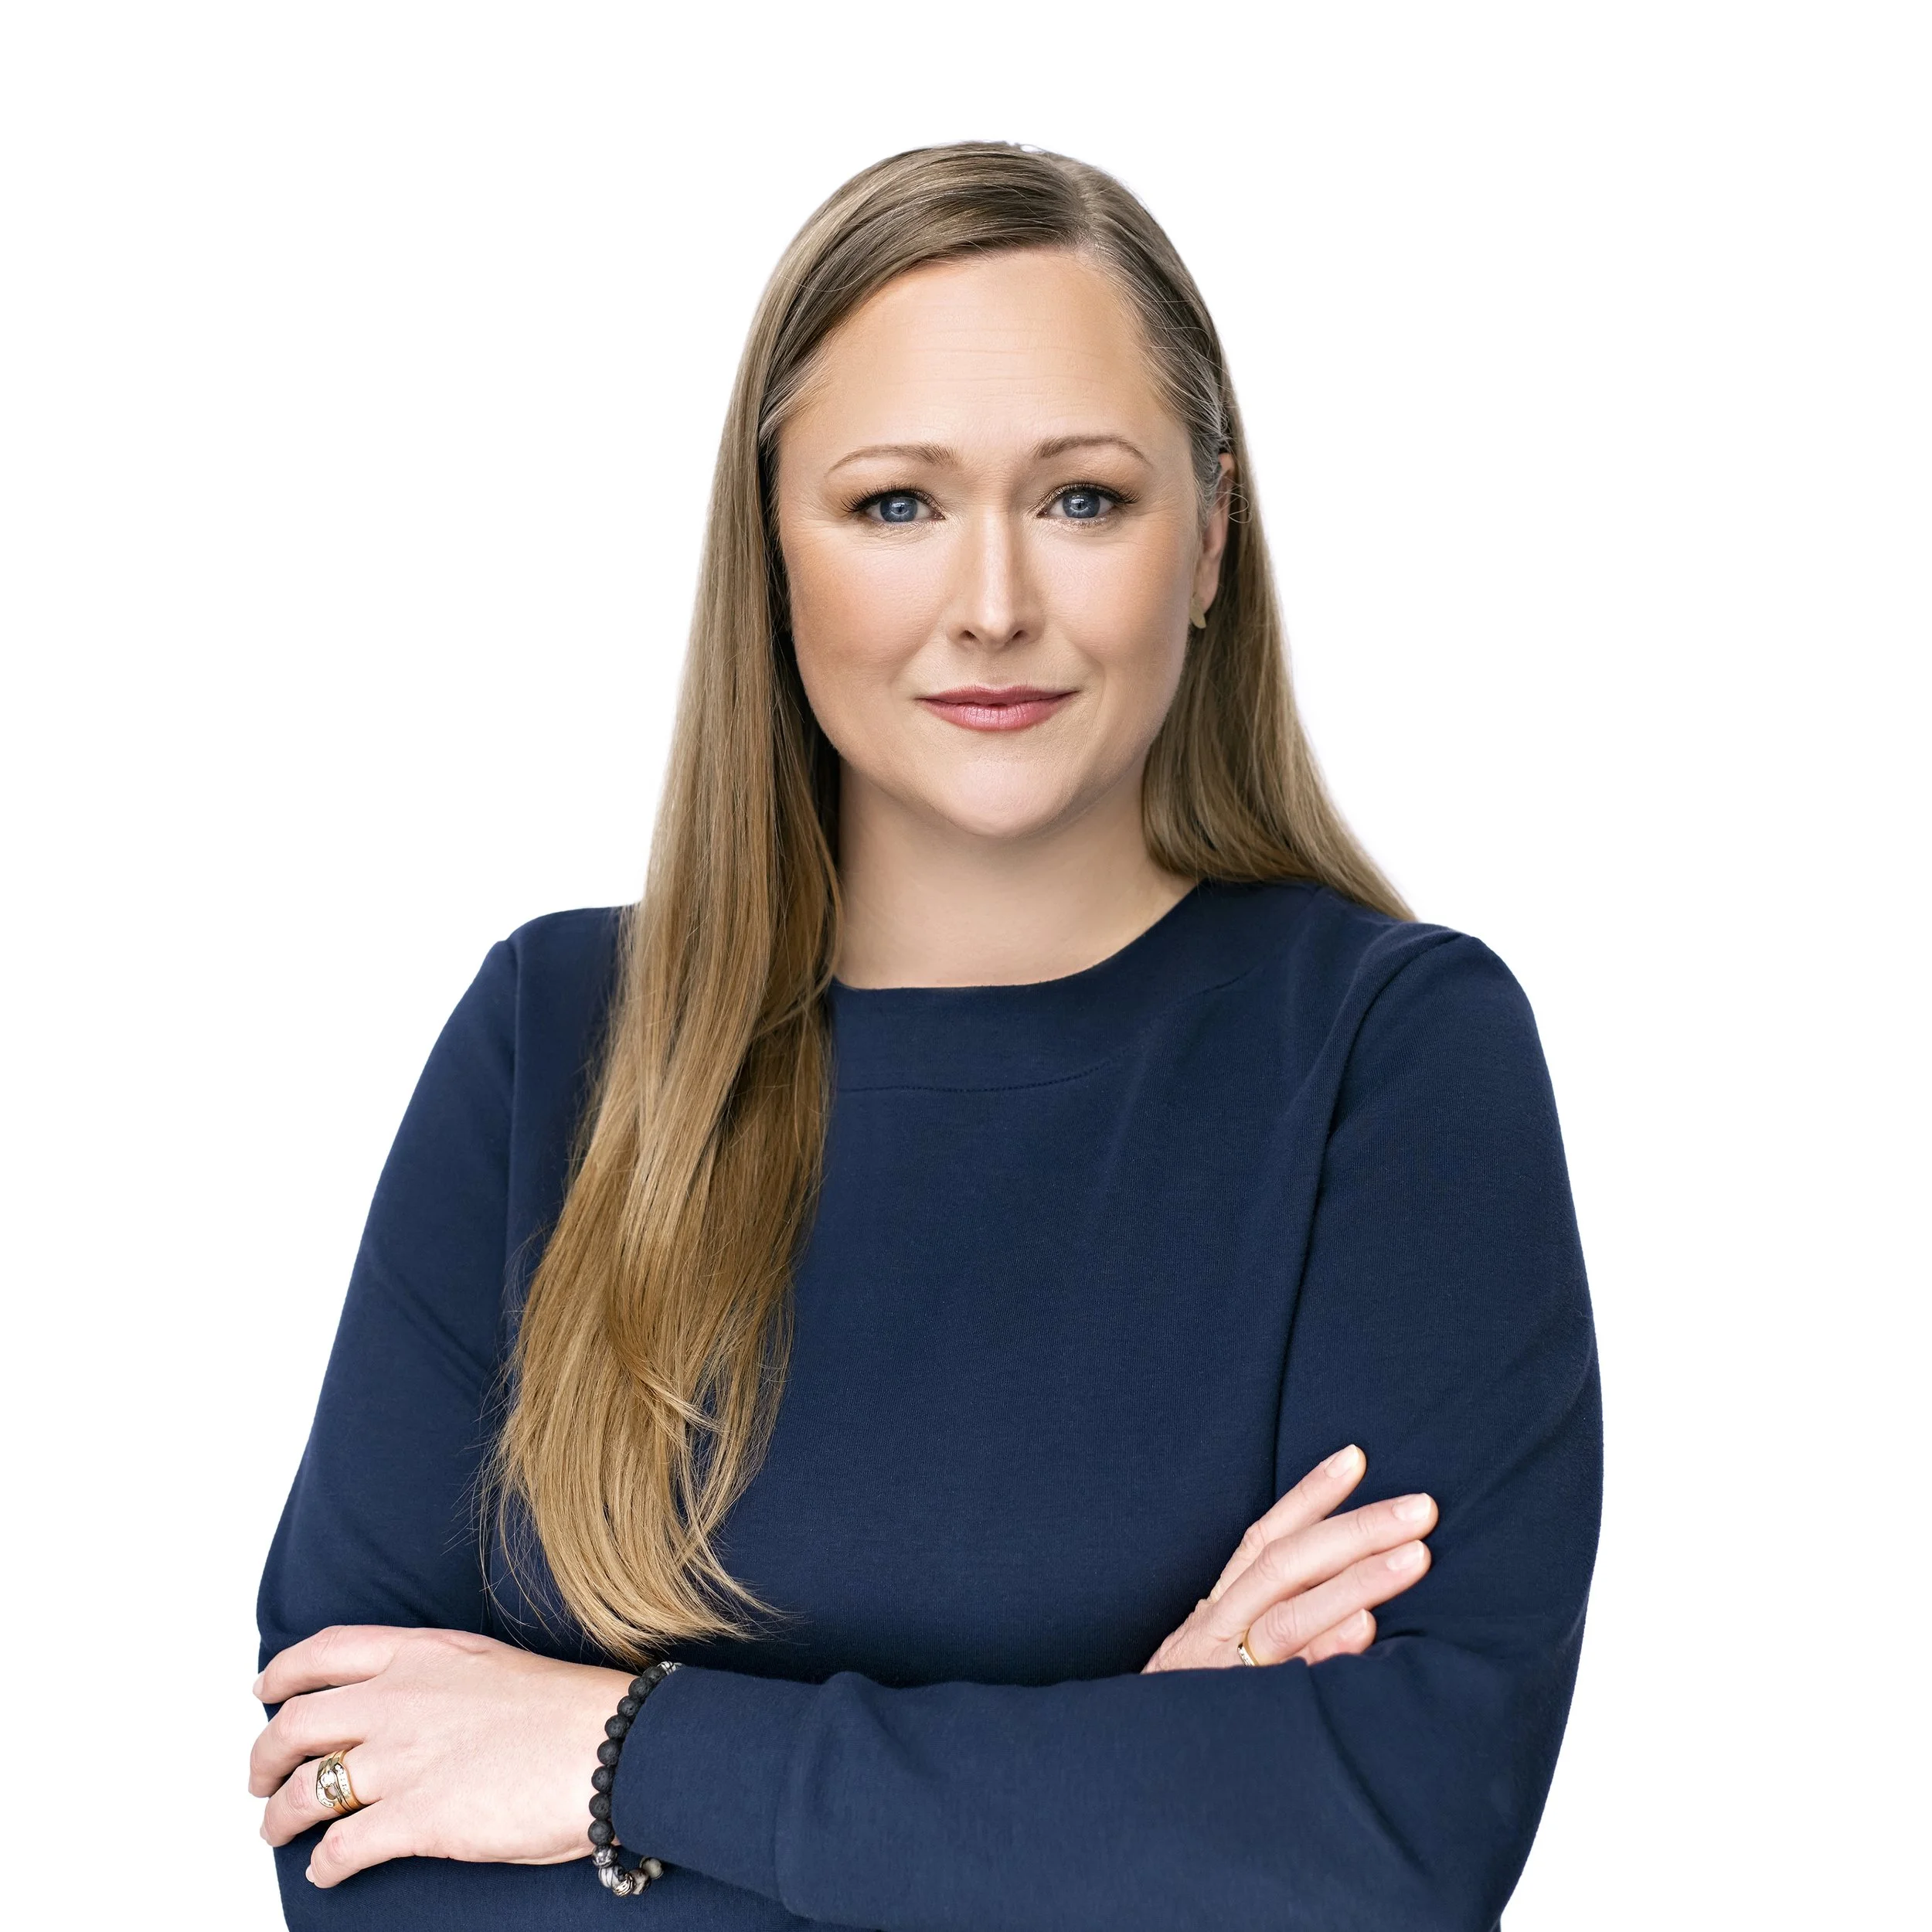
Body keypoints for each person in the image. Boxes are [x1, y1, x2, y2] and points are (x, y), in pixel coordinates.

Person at [250, 142, 1602, 1930]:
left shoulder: (1383, 1058)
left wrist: (614, 1752)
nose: (991, 602)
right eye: (895, 503)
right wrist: (1114, 1780)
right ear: (768, 549)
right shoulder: (549, 1046)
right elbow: (354, 1842)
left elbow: (1373, 1855)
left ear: (1210, 535)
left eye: (1082, 498)